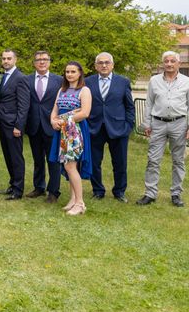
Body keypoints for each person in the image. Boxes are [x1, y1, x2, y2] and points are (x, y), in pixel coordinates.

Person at [137, 51, 189, 208]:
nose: (169, 64)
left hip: (179, 123)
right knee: (153, 159)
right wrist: (147, 124)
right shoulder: (154, 81)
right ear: (163, 63)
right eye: (166, 61)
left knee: (178, 160)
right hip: (158, 124)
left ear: (178, 63)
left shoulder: (187, 81)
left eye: (173, 61)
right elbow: (149, 103)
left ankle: (176, 194)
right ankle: (150, 193)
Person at [86, 52, 135, 203]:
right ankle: (98, 190)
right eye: (100, 63)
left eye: (107, 62)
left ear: (112, 65)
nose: (104, 65)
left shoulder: (123, 82)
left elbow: (129, 106)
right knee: (94, 162)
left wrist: (128, 125)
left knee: (120, 163)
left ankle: (119, 191)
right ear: (95, 66)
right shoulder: (88, 82)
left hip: (119, 128)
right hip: (94, 128)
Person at [49, 61, 92, 216]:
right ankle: (73, 199)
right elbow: (54, 110)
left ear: (79, 73)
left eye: (73, 71)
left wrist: (65, 120)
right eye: (67, 72)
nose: (69, 74)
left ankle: (80, 203)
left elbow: (85, 113)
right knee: (67, 165)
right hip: (61, 130)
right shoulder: (62, 90)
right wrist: (53, 121)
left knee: (70, 166)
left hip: (75, 131)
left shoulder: (84, 90)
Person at [24, 51, 63, 203]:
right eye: (38, 60)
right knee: (37, 159)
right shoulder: (26, 80)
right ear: (34, 63)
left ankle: (53, 191)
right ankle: (39, 187)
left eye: (45, 59)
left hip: (52, 125)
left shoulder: (59, 80)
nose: (42, 62)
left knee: (53, 159)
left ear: (50, 62)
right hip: (33, 125)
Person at [0, 50, 30, 200]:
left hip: (13, 124)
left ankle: (18, 190)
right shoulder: (4, 76)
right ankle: (12, 184)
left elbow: (24, 105)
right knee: (8, 155)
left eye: (9, 58)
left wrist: (19, 126)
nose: (6, 61)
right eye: (4, 58)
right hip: (3, 122)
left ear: (15, 60)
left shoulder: (20, 78)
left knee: (16, 157)